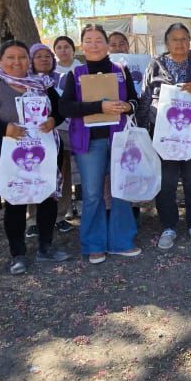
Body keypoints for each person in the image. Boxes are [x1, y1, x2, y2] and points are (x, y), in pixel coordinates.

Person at [0, 40, 69, 274]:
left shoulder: (41, 84)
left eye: (22, 57)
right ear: (0, 60)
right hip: (9, 159)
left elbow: (61, 108)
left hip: (43, 155)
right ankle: (18, 253)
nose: (16, 62)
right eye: (10, 57)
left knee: (47, 199)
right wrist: (3, 129)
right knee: (16, 203)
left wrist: (54, 120)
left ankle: (45, 246)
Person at [59, 25, 143, 264]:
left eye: (99, 40)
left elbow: (134, 100)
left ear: (107, 45)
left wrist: (128, 106)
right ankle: (93, 245)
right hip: (90, 143)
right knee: (93, 194)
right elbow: (65, 108)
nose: (94, 45)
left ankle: (122, 242)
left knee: (120, 190)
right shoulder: (75, 74)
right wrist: (99, 107)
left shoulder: (121, 71)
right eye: (88, 40)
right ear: (82, 45)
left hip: (119, 140)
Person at [137, 23, 191, 249]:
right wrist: (142, 130)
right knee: (166, 182)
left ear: (189, 41)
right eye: (175, 39)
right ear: (167, 42)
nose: (180, 43)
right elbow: (144, 98)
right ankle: (168, 226)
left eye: (184, 38)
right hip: (162, 135)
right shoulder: (155, 65)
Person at [26, 43, 73, 237]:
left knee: (62, 174)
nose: (44, 59)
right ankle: (33, 219)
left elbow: (61, 108)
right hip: (32, 141)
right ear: (30, 60)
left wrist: (54, 119)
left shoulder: (57, 81)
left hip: (59, 136)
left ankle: (60, 216)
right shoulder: (24, 81)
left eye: (47, 56)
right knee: (34, 175)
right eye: (39, 56)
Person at [52, 36, 80, 228]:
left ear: (73, 49)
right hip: (59, 127)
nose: (63, 50)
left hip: (79, 125)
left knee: (81, 167)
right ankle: (64, 206)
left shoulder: (81, 69)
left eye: (66, 47)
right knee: (63, 168)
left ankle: (80, 202)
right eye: (59, 47)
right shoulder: (50, 72)